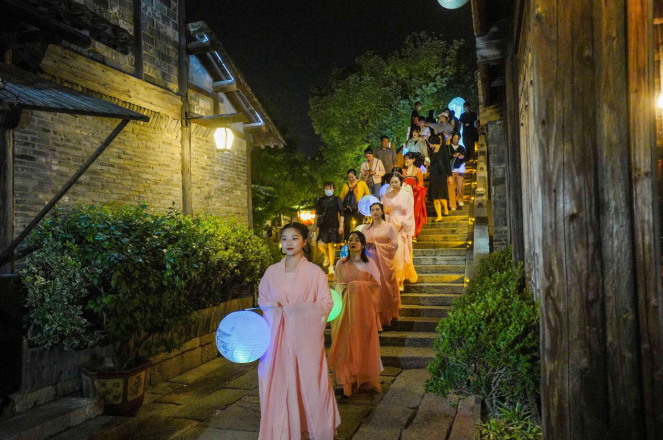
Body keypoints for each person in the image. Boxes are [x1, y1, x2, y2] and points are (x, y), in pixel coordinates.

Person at [258, 222, 341, 440]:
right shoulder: (271, 272)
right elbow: (263, 299)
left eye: (294, 238)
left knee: (309, 381)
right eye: (284, 239)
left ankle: (311, 428)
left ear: (304, 242)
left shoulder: (315, 273)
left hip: (305, 340)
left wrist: (296, 310)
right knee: (278, 383)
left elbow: (326, 303)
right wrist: (273, 308)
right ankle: (282, 430)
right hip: (276, 340)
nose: (289, 243)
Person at [328, 231, 383, 397]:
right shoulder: (341, 264)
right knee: (344, 346)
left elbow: (377, 286)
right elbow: (337, 285)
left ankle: (364, 378)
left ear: (363, 244)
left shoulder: (370, 264)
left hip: (363, 312)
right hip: (344, 313)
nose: (353, 242)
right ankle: (346, 382)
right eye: (350, 239)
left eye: (357, 240)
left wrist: (356, 286)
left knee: (363, 344)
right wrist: (346, 288)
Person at [363, 202, 400, 326]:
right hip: (369, 262)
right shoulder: (365, 229)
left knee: (386, 285)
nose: (375, 212)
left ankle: (386, 316)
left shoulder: (389, 227)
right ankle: (372, 317)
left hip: (384, 262)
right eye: (372, 210)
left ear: (382, 211)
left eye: (377, 209)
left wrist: (377, 246)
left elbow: (394, 245)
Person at [382, 172, 417, 291]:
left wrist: (403, 224)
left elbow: (410, 212)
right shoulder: (387, 196)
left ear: (401, 182)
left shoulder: (407, 196)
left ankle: (400, 280)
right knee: (392, 255)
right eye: (392, 182)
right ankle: (393, 280)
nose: (394, 184)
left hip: (402, 226)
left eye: (396, 182)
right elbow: (386, 213)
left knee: (400, 254)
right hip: (391, 225)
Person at [312, 182, 344, 274]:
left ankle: (331, 267)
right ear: (324, 189)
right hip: (323, 225)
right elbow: (317, 213)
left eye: (330, 188)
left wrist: (341, 225)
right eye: (326, 188)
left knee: (331, 246)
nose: (328, 190)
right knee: (320, 244)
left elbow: (342, 213)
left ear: (333, 189)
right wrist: (314, 225)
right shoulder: (321, 200)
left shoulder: (337, 199)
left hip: (334, 225)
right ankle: (326, 256)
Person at [428, 134, 454, 221]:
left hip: (441, 174)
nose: (429, 144)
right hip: (433, 174)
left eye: (430, 142)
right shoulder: (432, 151)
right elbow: (432, 162)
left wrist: (449, 175)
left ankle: (446, 209)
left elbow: (447, 163)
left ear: (433, 142)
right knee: (435, 196)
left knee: (442, 195)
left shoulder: (444, 149)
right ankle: (439, 216)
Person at [402, 152, 428, 238]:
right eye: (406, 159)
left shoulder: (417, 170)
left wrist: (415, 190)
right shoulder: (403, 171)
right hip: (405, 196)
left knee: (414, 214)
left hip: (415, 195)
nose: (407, 160)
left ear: (413, 159)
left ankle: (413, 234)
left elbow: (421, 183)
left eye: (409, 159)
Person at [339, 169, 370, 240]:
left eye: (352, 177)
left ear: (355, 176)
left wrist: (362, 202)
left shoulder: (362, 183)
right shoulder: (346, 185)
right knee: (347, 224)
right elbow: (341, 196)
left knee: (359, 223)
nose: (351, 179)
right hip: (348, 208)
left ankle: (358, 238)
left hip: (358, 207)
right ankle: (347, 239)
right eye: (349, 177)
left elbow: (367, 194)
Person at [450, 134, 467, 208]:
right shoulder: (448, 147)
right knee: (452, 187)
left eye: (457, 139)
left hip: (460, 168)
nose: (456, 140)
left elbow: (465, 157)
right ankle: (452, 203)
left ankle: (460, 199)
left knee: (460, 185)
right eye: (455, 138)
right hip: (451, 169)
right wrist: (453, 155)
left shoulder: (461, 148)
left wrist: (462, 157)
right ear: (452, 138)